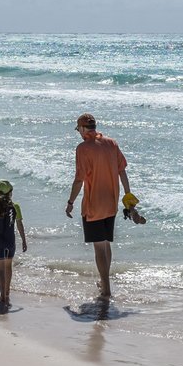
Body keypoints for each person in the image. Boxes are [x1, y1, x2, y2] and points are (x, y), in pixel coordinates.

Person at [65, 113, 132, 298]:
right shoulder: (112, 143)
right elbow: (122, 172)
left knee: (99, 248)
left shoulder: (83, 148)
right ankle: (104, 282)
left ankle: (106, 288)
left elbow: (79, 180)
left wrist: (70, 202)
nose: (78, 132)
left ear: (84, 129)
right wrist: (128, 197)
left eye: (78, 129)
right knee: (106, 244)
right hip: (111, 202)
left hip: (94, 205)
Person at [0, 180, 27, 309]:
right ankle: (7, 294)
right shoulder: (15, 206)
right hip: (11, 242)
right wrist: (24, 240)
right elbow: (19, 225)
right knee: (8, 268)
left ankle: (2, 296)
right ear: (10, 193)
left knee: (0, 270)